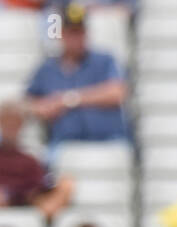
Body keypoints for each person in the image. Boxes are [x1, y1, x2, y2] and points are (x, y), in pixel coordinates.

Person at [24, 3, 130, 148]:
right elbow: (28, 103)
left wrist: (68, 100)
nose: (76, 39)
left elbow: (117, 93)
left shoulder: (104, 61)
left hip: (109, 141)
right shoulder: (47, 68)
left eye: (80, 32)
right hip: (63, 144)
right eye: (71, 33)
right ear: (61, 35)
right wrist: (42, 108)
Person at [0, 101, 75, 219]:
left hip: (21, 217)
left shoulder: (29, 162)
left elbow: (38, 195)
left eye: (15, 122)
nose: (10, 126)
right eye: (6, 121)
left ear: (22, 125)